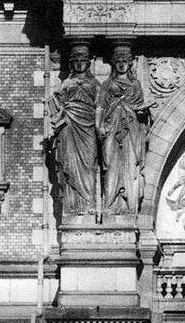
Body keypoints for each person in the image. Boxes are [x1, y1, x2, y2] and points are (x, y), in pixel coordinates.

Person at [96, 43, 151, 217]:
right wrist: (98, 126)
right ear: (114, 64)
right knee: (111, 165)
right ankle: (111, 203)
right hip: (112, 128)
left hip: (131, 130)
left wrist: (142, 112)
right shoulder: (107, 84)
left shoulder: (135, 85)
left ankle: (128, 203)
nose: (121, 64)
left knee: (130, 165)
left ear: (129, 63)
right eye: (118, 61)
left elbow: (141, 110)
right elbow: (100, 107)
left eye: (124, 61)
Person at [46, 42, 99, 217]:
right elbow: (58, 105)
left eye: (83, 60)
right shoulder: (66, 83)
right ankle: (73, 206)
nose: (79, 64)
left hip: (88, 127)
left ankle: (89, 203)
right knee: (69, 163)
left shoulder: (96, 84)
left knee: (89, 165)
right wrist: (56, 110)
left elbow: (101, 106)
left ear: (88, 64)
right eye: (76, 61)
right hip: (69, 125)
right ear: (71, 64)